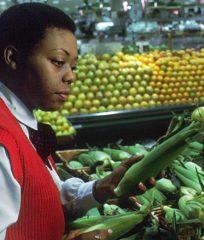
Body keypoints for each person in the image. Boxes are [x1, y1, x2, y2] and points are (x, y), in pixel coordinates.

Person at [0, 3, 155, 240]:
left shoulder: (20, 122)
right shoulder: (3, 139)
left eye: (73, 66)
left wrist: (101, 188)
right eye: (58, 62)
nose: (70, 76)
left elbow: (44, 197)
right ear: (13, 57)